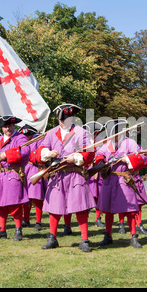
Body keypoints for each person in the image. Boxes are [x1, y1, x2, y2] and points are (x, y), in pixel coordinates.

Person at [36, 104, 96, 252]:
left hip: (75, 173)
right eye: (62, 119)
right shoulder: (51, 133)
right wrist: (47, 153)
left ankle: (84, 239)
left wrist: (76, 157)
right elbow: (39, 151)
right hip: (57, 174)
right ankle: (52, 238)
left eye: (68, 118)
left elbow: (90, 153)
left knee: (81, 207)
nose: (64, 121)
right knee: (54, 208)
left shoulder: (81, 132)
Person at [96, 119, 147, 248]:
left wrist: (128, 158)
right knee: (108, 210)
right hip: (109, 179)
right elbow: (99, 154)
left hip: (124, 180)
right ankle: (108, 235)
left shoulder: (130, 143)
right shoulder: (106, 144)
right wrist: (100, 161)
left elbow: (144, 158)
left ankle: (133, 236)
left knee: (130, 210)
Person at [0, 116, 30, 241]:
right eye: (5, 127)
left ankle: (18, 230)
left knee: (15, 205)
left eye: (9, 126)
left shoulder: (20, 138)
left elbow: (24, 152)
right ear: (2, 128)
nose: (7, 128)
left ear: (14, 125)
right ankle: (2, 230)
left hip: (13, 174)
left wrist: (6, 155)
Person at [18, 124, 46, 231]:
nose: (27, 137)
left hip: (35, 168)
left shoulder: (39, 139)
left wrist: (27, 155)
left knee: (37, 196)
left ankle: (38, 221)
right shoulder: (20, 139)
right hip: (24, 169)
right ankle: (26, 219)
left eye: (28, 134)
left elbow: (39, 155)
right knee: (26, 197)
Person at [83, 121, 106, 228]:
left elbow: (102, 154)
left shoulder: (101, 141)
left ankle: (98, 218)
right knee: (86, 196)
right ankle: (84, 219)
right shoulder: (83, 141)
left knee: (98, 195)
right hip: (86, 170)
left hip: (97, 169)